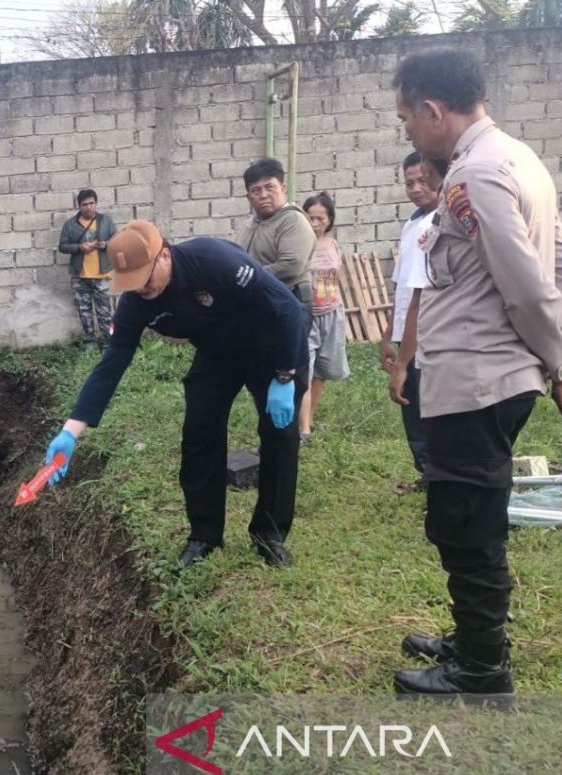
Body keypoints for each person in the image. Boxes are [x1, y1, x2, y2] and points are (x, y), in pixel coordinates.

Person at [391, 50, 562, 697]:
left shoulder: (475, 177)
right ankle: (474, 638)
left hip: (478, 377)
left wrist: (558, 362)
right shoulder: (517, 158)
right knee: (471, 517)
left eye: (408, 117)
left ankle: (483, 669)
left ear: (435, 110)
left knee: (467, 523)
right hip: (490, 374)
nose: (407, 129)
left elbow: (527, 285)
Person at [41, 220, 308, 570]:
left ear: (163, 256)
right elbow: (113, 362)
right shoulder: (137, 302)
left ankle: (269, 534)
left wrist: (285, 376)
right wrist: (70, 430)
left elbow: (286, 308)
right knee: (199, 435)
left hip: (271, 347)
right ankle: (204, 536)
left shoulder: (214, 260)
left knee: (279, 436)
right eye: (131, 284)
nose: (140, 289)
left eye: (144, 278)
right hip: (217, 352)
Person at [380, 153, 442, 479]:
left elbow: (422, 297)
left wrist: (403, 362)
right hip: (407, 335)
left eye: (423, 180)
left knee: (427, 410)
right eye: (409, 182)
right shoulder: (412, 223)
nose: (416, 188)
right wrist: (389, 335)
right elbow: (402, 287)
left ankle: (439, 477)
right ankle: (428, 475)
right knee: (412, 410)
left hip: (429, 337)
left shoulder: (440, 224)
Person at [299, 193, 350, 441]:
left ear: (329, 220)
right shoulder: (300, 245)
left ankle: (309, 419)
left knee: (321, 372)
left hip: (332, 313)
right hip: (307, 316)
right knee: (304, 371)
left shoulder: (332, 244)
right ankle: (304, 430)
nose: (316, 223)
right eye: (310, 218)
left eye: (321, 218)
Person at [235, 158, 317, 311]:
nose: (263, 195)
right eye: (256, 190)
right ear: (249, 198)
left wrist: (247, 276)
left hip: (289, 301)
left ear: (283, 188)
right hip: (259, 302)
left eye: (270, 187)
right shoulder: (248, 226)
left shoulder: (292, 220)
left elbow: (291, 265)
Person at [57, 189, 117, 350]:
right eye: (85, 204)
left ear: (96, 204)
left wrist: (106, 244)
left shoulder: (106, 221)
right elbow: (62, 246)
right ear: (79, 206)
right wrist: (79, 247)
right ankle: (89, 342)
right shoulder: (70, 224)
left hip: (102, 274)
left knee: (105, 312)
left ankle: (108, 344)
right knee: (84, 311)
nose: (89, 207)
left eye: (91, 203)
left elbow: (117, 240)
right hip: (80, 276)